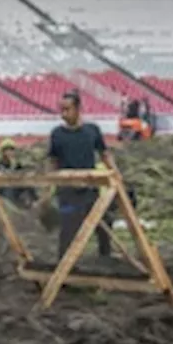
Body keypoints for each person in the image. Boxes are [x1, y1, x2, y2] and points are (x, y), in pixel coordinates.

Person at [43, 91, 118, 261]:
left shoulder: (92, 130)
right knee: (69, 229)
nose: (63, 114)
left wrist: (116, 175)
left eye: (67, 109)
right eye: (61, 110)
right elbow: (52, 160)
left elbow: (105, 154)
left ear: (78, 109)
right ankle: (65, 265)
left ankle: (105, 257)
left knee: (104, 222)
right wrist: (48, 188)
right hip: (68, 192)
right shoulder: (57, 134)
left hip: (90, 189)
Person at [0, 138, 36, 207]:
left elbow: (22, 174)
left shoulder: (17, 164)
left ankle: (34, 204)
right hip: (4, 190)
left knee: (29, 186)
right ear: (3, 152)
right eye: (7, 150)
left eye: (11, 150)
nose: (9, 152)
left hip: (15, 187)